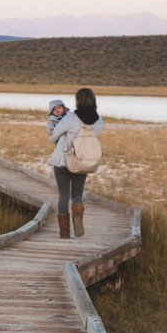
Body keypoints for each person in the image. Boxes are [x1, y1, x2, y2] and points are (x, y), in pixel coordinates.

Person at [48, 88, 103, 239]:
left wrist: (64, 133)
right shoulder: (99, 120)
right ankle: (78, 217)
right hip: (83, 162)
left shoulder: (70, 118)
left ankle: (64, 233)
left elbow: (53, 137)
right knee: (77, 195)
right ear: (93, 100)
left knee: (63, 196)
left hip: (63, 162)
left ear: (77, 101)